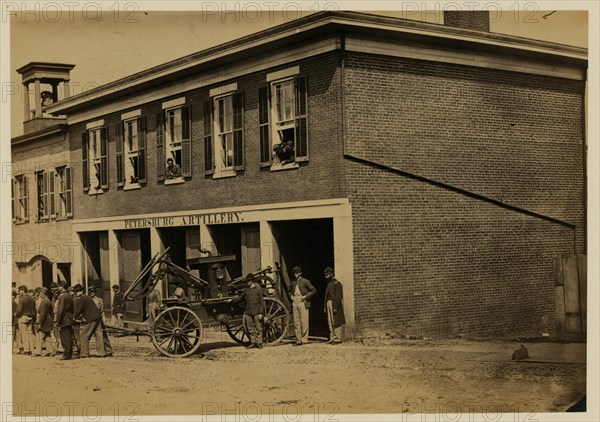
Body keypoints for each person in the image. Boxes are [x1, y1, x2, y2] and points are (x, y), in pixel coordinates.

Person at [72, 284, 109, 358]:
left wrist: (73, 317)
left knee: (84, 335)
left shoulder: (82, 298)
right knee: (99, 335)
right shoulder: (87, 297)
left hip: (91, 318)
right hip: (97, 317)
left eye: (77, 291)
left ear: (81, 291)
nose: (76, 293)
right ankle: (101, 353)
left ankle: (84, 353)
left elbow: (79, 309)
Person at [234, 275, 265, 349]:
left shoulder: (258, 289)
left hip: (256, 311)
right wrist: (232, 300)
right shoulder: (246, 290)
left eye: (248, 281)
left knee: (258, 327)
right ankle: (252, 342)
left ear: (252, 281)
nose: (247, 282)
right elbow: (240, 298)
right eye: (247, 281)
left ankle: (259, 343)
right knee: (250, 328)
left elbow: (261, 301)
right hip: (248, 311)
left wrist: (261, 312)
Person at [288, 266, 316, 346]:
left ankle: (304, 339)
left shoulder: (305, 281)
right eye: (294, 273)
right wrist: (291, 296)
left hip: (303, 301)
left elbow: (313, 290)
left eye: (297, 273)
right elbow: (289, 291)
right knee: (296, 322)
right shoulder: (293, 282)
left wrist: (305, 296)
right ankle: (298, 339)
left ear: (300, 273)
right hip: (295, 301)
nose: (295, 275)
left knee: (304, 321)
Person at [323, 267, 345, 344]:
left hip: (334, 304)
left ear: (331, 274)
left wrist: (335, 307)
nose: (326, 276)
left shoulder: (337, 283)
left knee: (335, 321)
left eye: (327, 274)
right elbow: (326, 296)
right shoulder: (329, 284)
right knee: (330, 322)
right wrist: (325, 306)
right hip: (329, 303)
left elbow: (339, 297)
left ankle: (337, 338)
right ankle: (332, 337)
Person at [55, 281, 74, 360]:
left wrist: (58, 321)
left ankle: (66, 354)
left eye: (59, 286)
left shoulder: (62, 297)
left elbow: (60, 310)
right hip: (69, 317)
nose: (58, 288)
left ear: (62, 287)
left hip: (64, 319)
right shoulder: (69, 295)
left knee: (64, 336)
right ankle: (69, 353)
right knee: (68, 336)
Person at [16, 285, 36, 355]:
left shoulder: (22, 299)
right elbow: (34, 309)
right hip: (30, 317)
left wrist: (16, 315)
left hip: (23, 317)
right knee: (29, 334)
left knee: (24, 335)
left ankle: (26, 350)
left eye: (20, 290)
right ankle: (31, 349)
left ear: (23, 290)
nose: (19, 292)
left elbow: (19, 311)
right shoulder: (31, 299)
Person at [34, 287, 55, 356]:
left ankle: (38, 352)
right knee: (47, 336)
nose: (40, 294)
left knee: (40, 336)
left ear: (43, 294)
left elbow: (42, 314)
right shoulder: (49, 301)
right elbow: (52, 312)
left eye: (40, 293)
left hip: (44, 320)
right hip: (49, 320)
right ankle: (50, 351)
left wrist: (39, 323)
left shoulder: (43, 302)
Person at [70, 285, 82, 357]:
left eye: (72, 291)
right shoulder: (75, 298)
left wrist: (73, 317)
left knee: (76, 335)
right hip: (76, 318)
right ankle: (77, 349)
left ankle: (78, 349)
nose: (71, 292)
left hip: (75, 319)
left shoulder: (74, 299)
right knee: (75, 335)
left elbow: (75, 310)